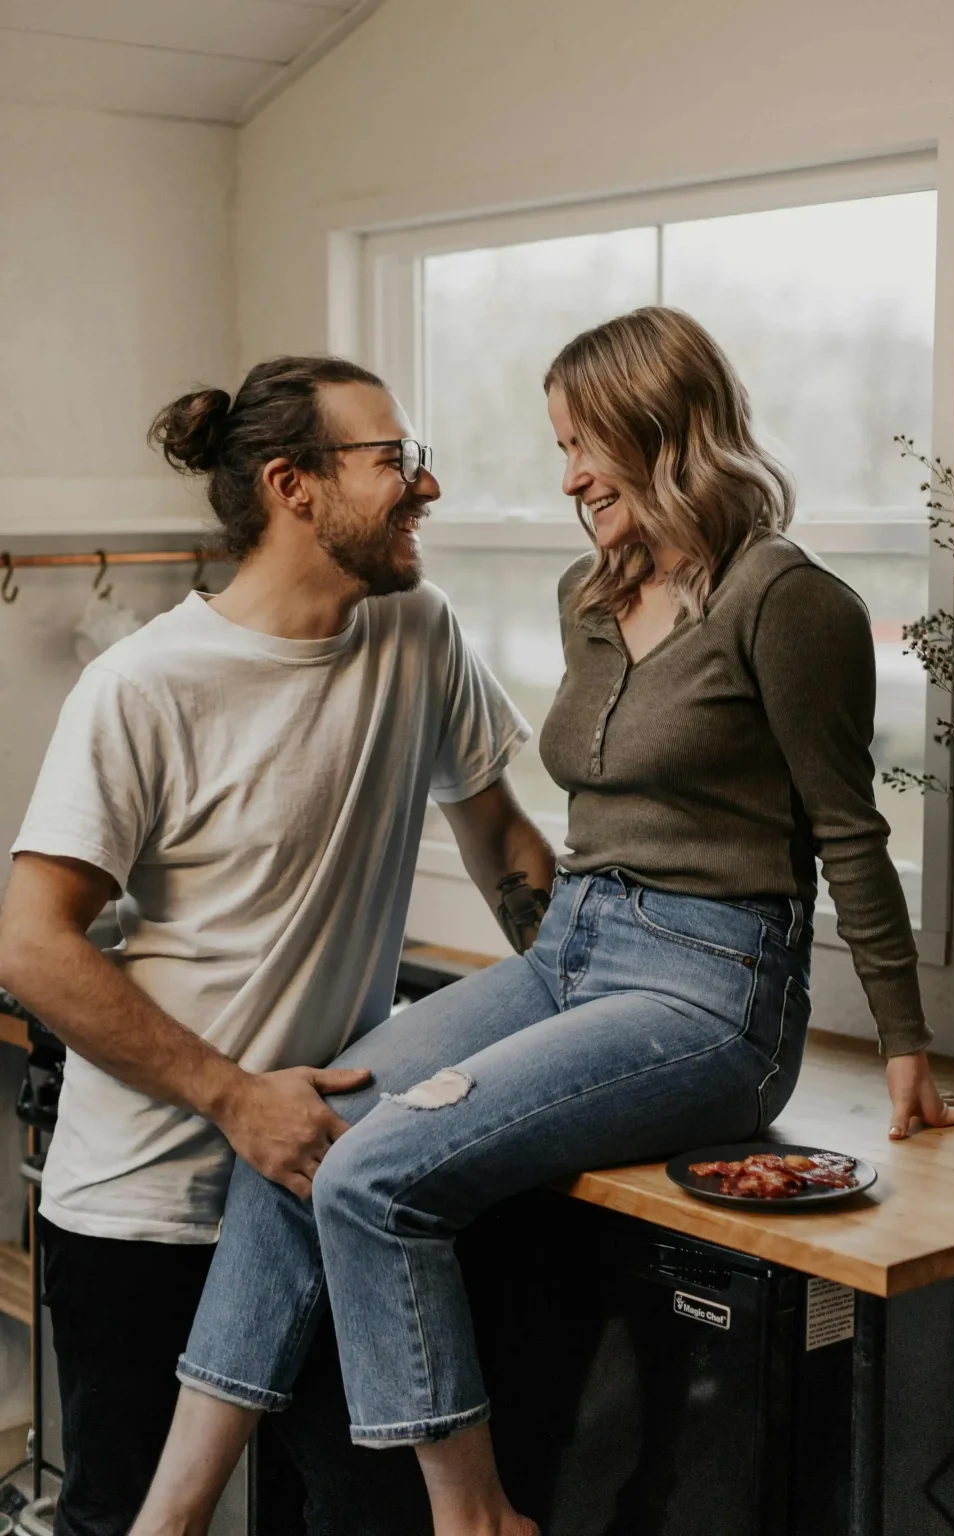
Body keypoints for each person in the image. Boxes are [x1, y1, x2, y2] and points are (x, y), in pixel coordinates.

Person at [126, 307, 954, 1536]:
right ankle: (168, 1521)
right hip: (571, 954)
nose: (571, 473)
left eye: (586, 441)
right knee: (298, 1126)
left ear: (664, 430)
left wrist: (905, 1050)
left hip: (711, 994)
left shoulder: (784, 599)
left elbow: (848, 832)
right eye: (563, 444)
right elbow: (571, 834)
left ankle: (476, 1520)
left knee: (375, 1178)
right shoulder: (588, 594)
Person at [0, 355, 553, 1536]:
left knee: (357, 1514)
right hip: (146, 1202)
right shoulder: (143, 685)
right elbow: (31, 947)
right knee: (122, 1517)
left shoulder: (419, 631)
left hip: (324, 1190)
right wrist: (233, 1095)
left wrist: (615, 988)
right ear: (293, 484)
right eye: (393, 460)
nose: (427, 485)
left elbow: (506, 844)